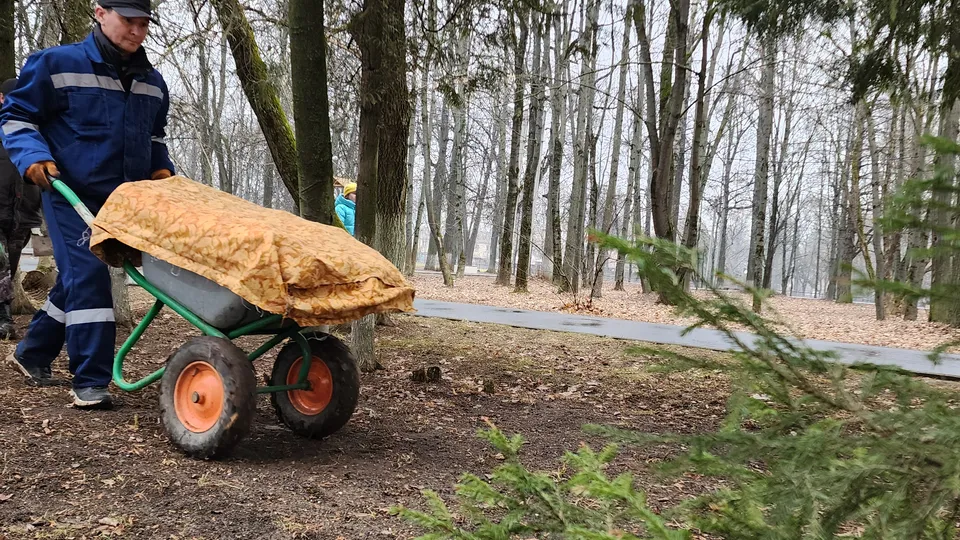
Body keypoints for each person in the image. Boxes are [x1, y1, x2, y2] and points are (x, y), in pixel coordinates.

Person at [0, 0, 174, 408]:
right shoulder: (55, 65)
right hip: (69, 192)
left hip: (122, 201)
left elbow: (154, 137)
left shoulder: (152, 82)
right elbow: (17, 117)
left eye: (144, 23)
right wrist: (33, 158)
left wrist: (160, 169)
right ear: (99, 13)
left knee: (76, 279)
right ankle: (91, 380)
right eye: (127, 21)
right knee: (91, 274)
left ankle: (32, 352)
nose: (136, 31)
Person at [0, 78, 42, 340]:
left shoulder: (34, 130)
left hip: (24, 212)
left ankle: (4, 317)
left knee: (10, 267)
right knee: (1, 263)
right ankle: (4, 319)